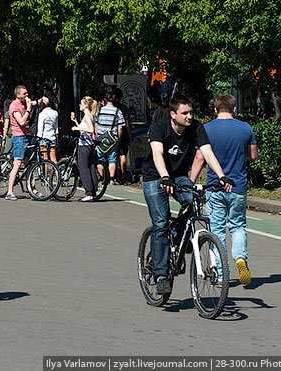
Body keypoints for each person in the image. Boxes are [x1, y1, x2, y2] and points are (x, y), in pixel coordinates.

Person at [142, 94, 232, 296]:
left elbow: (208, 153)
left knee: (192, 202)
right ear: (173, 115)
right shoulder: (159, 127)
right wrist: (164, 177)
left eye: (191, 112)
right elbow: (157, 153)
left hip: (179, 177)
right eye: (185, 113)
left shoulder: (197, 128)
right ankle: (160, 275)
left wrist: (222, 176)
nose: (190, 116)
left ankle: (179, 239)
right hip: (155, 177)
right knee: (160, 224)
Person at [196, 94, 257, 286]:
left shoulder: (206, 129)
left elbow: (200, 158)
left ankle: (221, 275)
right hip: (238, 185)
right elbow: (253, 155)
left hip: (215, 186)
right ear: (234, 108)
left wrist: (191, 181)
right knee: (238, 225)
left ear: (215, 109)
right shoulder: (245, 128)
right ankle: (240, 258)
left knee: (217, 229)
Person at [4, 85, 31, 201]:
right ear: (18, 95)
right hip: (19, 137)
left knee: (29, 164)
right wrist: (28, 109)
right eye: (24, 93)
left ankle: (33, 189)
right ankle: (10, 191)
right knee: (17, 163)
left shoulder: (23, 104)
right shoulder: (14, 106)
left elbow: (34, 102)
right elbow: (21, 121)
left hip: (26, 136)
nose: (26, 95)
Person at [71, 96, 99, 202]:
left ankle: (89, 193)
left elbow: (90, 130)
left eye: (81, 103)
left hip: (84, 145)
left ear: (86, 105)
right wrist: (76, 122)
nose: (79, 105)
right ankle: (93, 191)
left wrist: (77, 128)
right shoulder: (88, 115)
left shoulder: (87, 115)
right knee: (91, 167)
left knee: (83, 168)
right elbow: (85, 130)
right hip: (89, 145)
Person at [95, 92, 124, 185]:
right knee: (112, 159)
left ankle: (101, 179)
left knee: (100, 158)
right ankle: (111, 179)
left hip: (100, 138)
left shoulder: (99, 111)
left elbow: (96, 125)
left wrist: (96, 135)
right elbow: (120, 127)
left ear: (106, 99)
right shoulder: (117, 111)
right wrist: (118, 138)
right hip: (112, 138)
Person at [36, 92, 59, 164]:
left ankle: (45, 175)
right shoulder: (55, 113)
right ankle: (56, 172)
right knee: (53, 157)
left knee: (45, 158)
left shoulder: (42, 114)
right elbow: (56, 127)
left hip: (44, 137)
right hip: (52, 137)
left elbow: (40, 128)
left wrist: (38, 137)